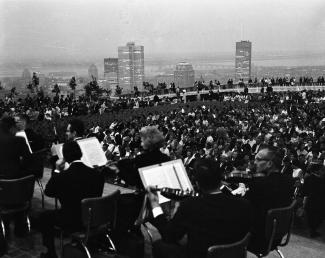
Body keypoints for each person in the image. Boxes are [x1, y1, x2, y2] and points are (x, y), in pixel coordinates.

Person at [147, 159, 253, 258]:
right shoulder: (244, 204)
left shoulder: (190, 206)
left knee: (158, 245)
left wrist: (155, 205)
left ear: (197, 183)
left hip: (200, 255)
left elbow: (169, 236)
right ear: (221, 179)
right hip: (234, 255)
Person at [39, 141, 104, 258]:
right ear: (80, 153)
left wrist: (57, 170)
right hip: (92, 219)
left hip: (71, 221)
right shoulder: (97, 175)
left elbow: (48, 192)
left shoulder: (62, 177)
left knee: (45, 217)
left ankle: (50, 253)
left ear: (65, 158)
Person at [245, 146, 294, 253]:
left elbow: (244, 208)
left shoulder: (259, 185)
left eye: (258, 159)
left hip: (256, 240)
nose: (254, 162)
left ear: (270, 164)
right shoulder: (289, 181)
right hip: (276, 237)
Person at [301, 163, 325, 238]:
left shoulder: (308, 178)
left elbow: (304, 190)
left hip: (310, 200)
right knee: (317, 217)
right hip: (319, 201)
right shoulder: (321, 180)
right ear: (317, 171)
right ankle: (312, 230)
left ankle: (311, 230)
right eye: (322, 170)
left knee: (311, 216)